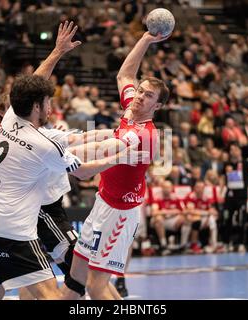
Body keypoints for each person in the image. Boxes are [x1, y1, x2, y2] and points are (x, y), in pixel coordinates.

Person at [0, 21, 146, 300]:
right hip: (17, 230)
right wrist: (121, 155)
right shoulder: (42, 145)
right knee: (51, 294)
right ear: (37, 106)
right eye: (48, 102)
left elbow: (35, 88)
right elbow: (85, 172)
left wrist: (56, 52)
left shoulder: (8, 119)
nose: (52, 107)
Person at [69, 30, 171, 300]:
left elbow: (102, 149)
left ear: (157, 106)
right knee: (76, 273)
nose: (140, 96)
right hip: (103, 201)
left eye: (148, 96)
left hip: (120, 213)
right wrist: (147, 39)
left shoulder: (142, 135)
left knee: (95, 285)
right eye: (140, 91)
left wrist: (60, 150)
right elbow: (124, 75)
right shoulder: (129, 110)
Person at [150, 180, 189, 256]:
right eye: (164, 187)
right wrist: (172, 211)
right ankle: (164, 246)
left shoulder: (176, 198)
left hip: (173, 221)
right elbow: (154, 213)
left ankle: (183, 245)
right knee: (158, 219)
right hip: (161, 221)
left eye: (168, 187)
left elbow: (184, 211)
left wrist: (178, 214)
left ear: (171, 188)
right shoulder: (157, 198)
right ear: (161, 188)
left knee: (186, 219)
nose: (166, 189)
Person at [184, 181, 222, 254]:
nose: (200, 189)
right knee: (196, 219)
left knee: (212, 219)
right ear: (194, 188)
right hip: (192, 219)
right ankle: (193, 244)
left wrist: (208, 215)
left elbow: (213, 211)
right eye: (198, 187)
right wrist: (206, 213)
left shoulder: (206, 197)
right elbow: (191, 211)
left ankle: (213, 244)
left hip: (204, 219)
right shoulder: (190, 196)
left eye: (202, 187)